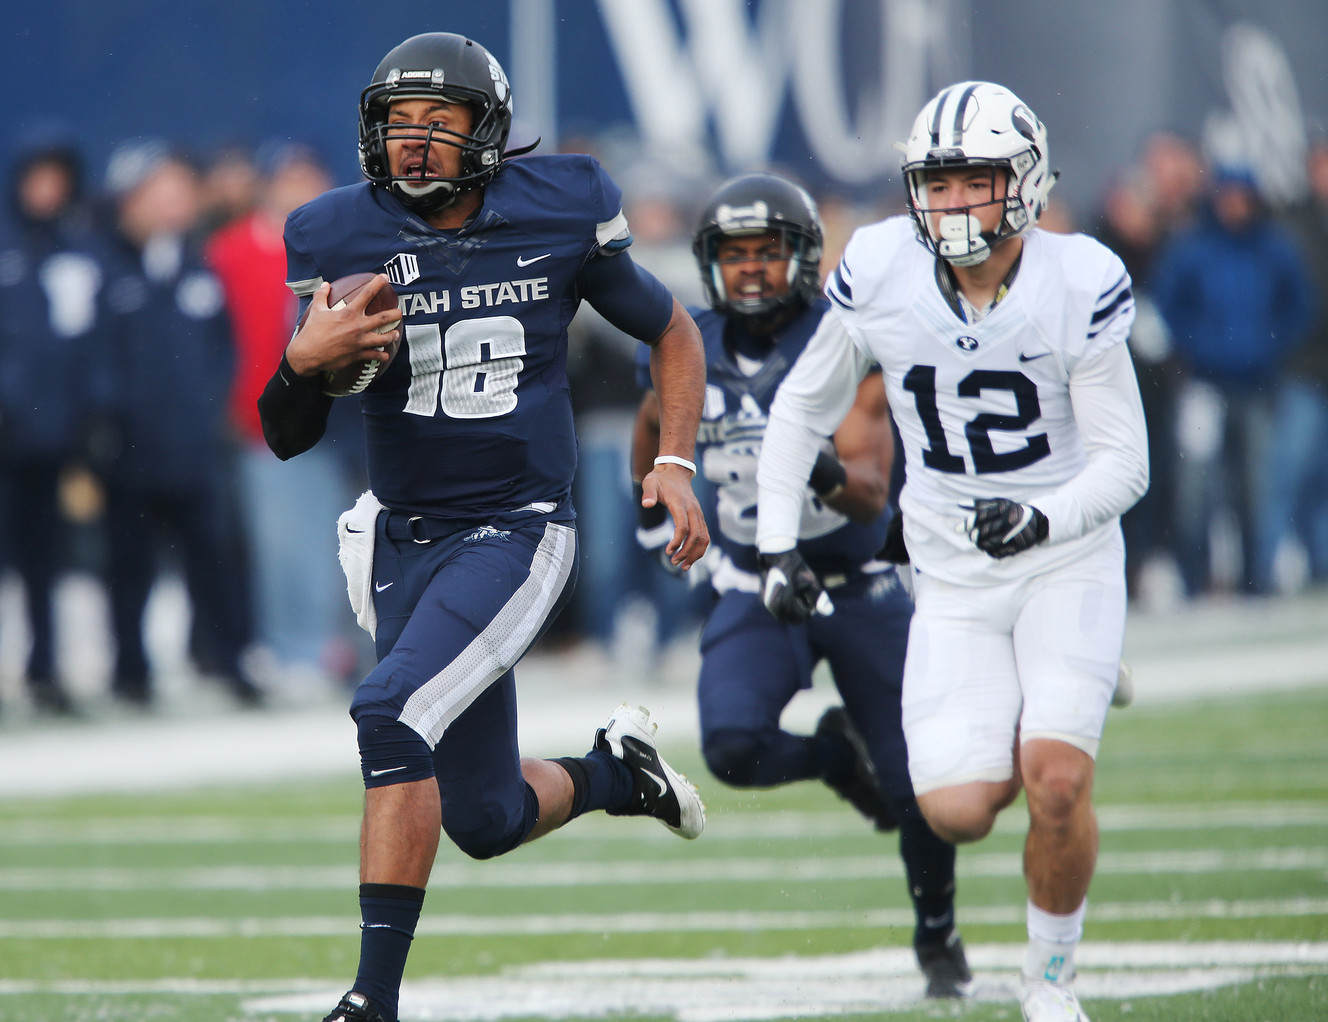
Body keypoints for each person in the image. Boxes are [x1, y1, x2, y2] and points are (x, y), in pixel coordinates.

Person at [254, 33, 710, 1022]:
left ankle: (371, 999)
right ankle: (613, 774)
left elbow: (671, 330)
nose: (412, 142)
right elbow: (282, 435)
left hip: (515, 526)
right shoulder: (332, 235)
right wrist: (306, 362)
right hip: (398, 536)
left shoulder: (560, 206)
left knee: (390, 709)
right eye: (396, 123)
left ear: (487, 133)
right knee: (485, 816)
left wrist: (671, 460)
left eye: (438, 121)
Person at [753, 83, 1149, 1022]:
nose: (956, 204)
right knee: (956, 813)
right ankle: (1062, 686)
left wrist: (1044, 519)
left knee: (1057, 779)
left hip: (1065, 553)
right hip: (952, 572)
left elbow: (1126, 462)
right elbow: (804, 406)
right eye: (939, 183)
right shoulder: (883, 267)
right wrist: (777, 544)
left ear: (1026, 182)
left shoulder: (1078, 278)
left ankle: (1050, 982)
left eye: (978, 182)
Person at [632, 172, 970, 999]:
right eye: (733, 254)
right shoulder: (688, 343)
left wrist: (792, 446)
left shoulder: (840, 342)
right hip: (752, 577)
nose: (749, 269)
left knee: (919, 788)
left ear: (804, 258)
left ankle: (937, 933)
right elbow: (650, 426)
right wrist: (654, 512)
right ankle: (831, 754)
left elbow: (865, 488)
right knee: (733, 749)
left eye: (768, 252)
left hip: (854, 579)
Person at [87, 140, 260, 708]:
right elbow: (96, 358)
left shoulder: (198, 266)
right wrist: (109, 425)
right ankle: (131, 674)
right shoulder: (105, 268)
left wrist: (208, 413)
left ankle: (231, 664)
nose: (171, 203)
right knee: (129, 567)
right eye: (157, 191)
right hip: (130, 451)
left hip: (194, 450)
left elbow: (220, 352)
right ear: (128, 201)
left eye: (179, 191)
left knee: (213, 559)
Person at [207, 142, 367, 695]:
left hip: (330, 423)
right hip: (259, 423)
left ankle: (327, 647)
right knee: (277, 544)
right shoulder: (229, 252)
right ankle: (288, 649)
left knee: (333, 541)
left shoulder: (339, 250)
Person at [1152, 163, 1313, 595]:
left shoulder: (1273, 247)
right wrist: (1195, 346)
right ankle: (1194, 578)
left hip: (1258, 384)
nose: (1236, 207)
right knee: (1195, 488)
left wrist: (1271, 344)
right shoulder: (1193, 247)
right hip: (1203, 384)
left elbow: (1299, 304)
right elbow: (1167, 305)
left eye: (1243, 198)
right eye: (1229, 197)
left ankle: (1255, 577)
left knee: (1257, 486)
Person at [0, 127, 100, 715]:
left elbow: (90, 349)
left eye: (56, 179)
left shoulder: (80, 252)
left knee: (44, 560)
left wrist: (87, 425)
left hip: (51, 438)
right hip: (7, 434)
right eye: (37, 177)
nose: (46, 190)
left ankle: (44, 669)